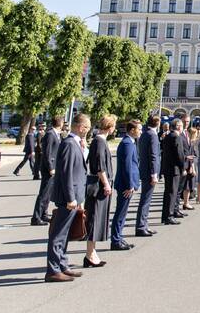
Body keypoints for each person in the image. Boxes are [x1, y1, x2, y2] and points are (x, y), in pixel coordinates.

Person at [45, 112, 89, 283]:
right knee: (58, 235)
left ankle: (62, 265)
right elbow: (66, 173)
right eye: (87, 127)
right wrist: (71, 198)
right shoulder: (70, 144)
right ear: (80, 127)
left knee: (64, 235)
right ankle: (53, 270)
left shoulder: (76, 143)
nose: (88, 130)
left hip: (74, 196)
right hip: (67, 198)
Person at [84, 114, 115, 268]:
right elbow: (100, 167)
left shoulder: (99, 141)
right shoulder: (100, 142)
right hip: (99, 187)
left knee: (97, 219)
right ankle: (90, 254)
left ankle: (92, 252)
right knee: (94, 220)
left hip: (100, 186)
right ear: (110, 128)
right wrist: (106, 184)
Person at [111, 119, 141, 251]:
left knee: (122, 212)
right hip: (125, 184)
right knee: (120, 213)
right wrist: (130, 185)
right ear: (132, 130)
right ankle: (116, 239)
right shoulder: (128, 143)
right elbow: (127, 166)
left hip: (126, 183)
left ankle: (119, 237)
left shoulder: (130, 142)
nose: (141, 131)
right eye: (139, 129)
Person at [32, 115, 63, 225]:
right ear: (60, 123)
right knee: (44, 193)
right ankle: (36, 217)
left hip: (54, 168)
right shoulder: (50, 134)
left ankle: (44, 214)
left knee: (48, 194)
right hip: (49, 169)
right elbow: (47, 153)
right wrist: (51, 168)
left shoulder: (55, 134)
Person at [136, 114, 160, 237]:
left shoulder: (144, 134)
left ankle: (144, 224)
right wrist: (154, 174)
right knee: (146, 200)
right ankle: (141, 226)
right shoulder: (153, 135)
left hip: (144, 170)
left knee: (145, 199)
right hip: (149, 172)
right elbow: (153, 156)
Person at [160, 118, 183, 226]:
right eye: (181, 125)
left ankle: (166, 216)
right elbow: (179, 154)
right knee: (172, 193)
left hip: (168, 168)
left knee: (168, 192)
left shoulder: (168, 136)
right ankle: (169, 215)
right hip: (174, 169)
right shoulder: (176, 136)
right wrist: (183, 166)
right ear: (178, 126)